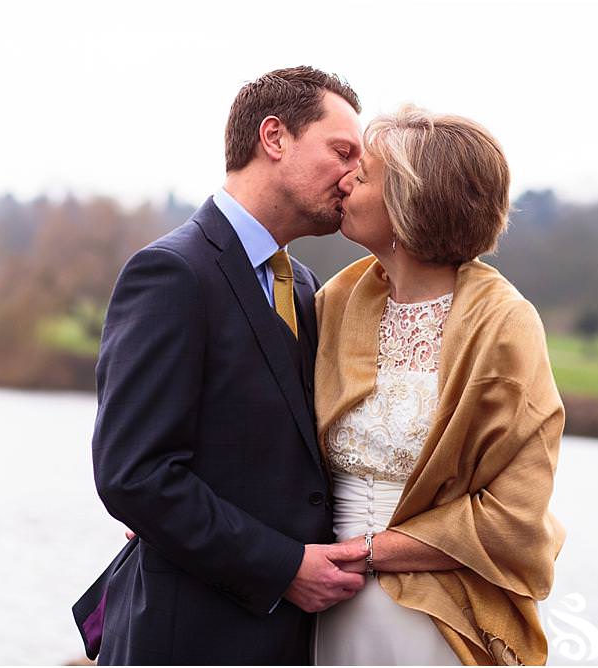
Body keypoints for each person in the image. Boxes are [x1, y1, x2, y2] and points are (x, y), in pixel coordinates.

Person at [72, 66, 372, 665]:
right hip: (187, 639)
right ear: (274, 138)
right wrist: (284, 568)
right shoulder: (171, 273)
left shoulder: (308, 289)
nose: (355, 175)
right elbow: (134, 474)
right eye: (342, 151)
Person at [311, 105, 568, 665]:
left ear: (409, 204)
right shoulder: (335, 301)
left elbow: (514, 516)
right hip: (325, 598)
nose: (346, 178)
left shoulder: (505, 325)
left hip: (440, 613)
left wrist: (368, 552)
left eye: (366, 173)